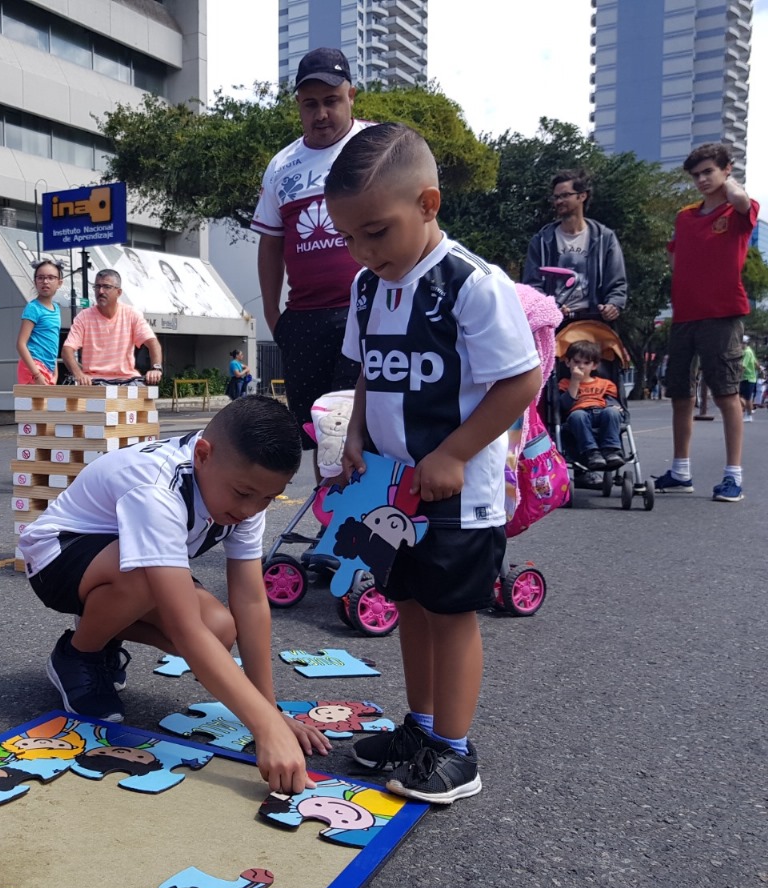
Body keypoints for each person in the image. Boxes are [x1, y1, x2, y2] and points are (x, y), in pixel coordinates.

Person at [325, 123, 541, 804]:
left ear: (428, 203)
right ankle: (419, 727)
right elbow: (366, 374)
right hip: (399, 486)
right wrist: (355, 434)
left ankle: (456, 748)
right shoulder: (369, 287)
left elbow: (521, 380)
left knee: (451, 613)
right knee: (410, 603)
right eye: (350, 238)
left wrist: (453, 452)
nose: (363, 250)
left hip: (460, 489)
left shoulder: (472, 284)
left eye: (377, 232)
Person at [17, 395, 331, 796]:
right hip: (56, 560)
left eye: (267, 498)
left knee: (218, 628)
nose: (251, 509)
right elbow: (183, 627)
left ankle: (103, 627)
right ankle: (79, 655)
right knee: (148, 579)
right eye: (243, 494)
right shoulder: (157, 487)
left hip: (117, 563)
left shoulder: (245, 488)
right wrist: (264, 728)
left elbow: (251, 601)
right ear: (203, 454)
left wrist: (270, 711)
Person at [252, 48, 370, 474]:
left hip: (368, 311)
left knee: (361, 427)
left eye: (331, 100)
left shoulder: (378, 146)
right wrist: (273, 314)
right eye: (310, 103)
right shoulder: (281, 165)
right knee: (321, 430)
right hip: (303, 320)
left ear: (351, 96)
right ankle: (331, 521)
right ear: (299, 107)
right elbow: (269, 244)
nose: (321, 113)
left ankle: (373, 524)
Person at [655, 143, 759, 503]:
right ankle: (680, 471)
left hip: (722, 315)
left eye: (708, 172)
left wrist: (730, 183)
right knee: (679, 394)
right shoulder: (685, 216)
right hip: (685, 316)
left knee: (726, 393)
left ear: (727, 169)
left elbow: (743, 202)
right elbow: (676, 258)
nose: (701, 180)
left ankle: (733, 476)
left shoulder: (738, 210)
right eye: (696, 175)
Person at [521, 169, 628, 322]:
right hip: (554, 323)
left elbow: (617, 282)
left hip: (594, 321)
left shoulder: (605, 238)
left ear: (582, 196)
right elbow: (532, 287)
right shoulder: (541, 241)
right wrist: (550, 308)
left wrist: (613, 305)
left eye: (565, 195)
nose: (558, 201)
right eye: (556, 197)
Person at [60, 269, 162, 386]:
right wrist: (79, 374)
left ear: (119, 292)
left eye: (106, 287)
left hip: (128, 379)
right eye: (97, 287)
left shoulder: (132, 314)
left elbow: (153, 342)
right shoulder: (83, 317)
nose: (101, 291)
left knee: (146, 400)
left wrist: (156, 368)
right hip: (95, 380)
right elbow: (67, 350)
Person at [557, 339, 624, 470]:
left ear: (594, 365)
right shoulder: (565, 383)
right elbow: (565, 405)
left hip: (602, 411)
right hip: (578, 414)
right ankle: (591, 452)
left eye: (586, 363)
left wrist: (614, 407)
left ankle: (610, 450)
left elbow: (611, 400)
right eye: (576, 362)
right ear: (568, 362)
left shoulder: (605, 384)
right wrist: (575, 381)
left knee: (612, 412)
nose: (581, 366)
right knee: (577, 416)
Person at [16, 260, 63, 385]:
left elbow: (53, 343)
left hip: (48, 368)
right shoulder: (33, 308)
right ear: (35, 281)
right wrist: (36, 374)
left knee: (46, 405)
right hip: (34, 367)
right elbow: (21, 344)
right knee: (35, 405)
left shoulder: (56, 308)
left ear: (60, 283)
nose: (45, 281)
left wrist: (55, 371)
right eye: (41, 278)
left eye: (51, 278)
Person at [740, 335, 757, 422]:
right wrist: (760, 369)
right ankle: (748, 410)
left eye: (741, 343)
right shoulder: (749, 351)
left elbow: (743, 366)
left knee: (746, 398)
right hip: (749, 378)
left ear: (744, 343)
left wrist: (737, 376)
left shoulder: (747, 352)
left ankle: (749, 414)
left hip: (747, 378)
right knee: (742, 397)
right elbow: (755, 362)